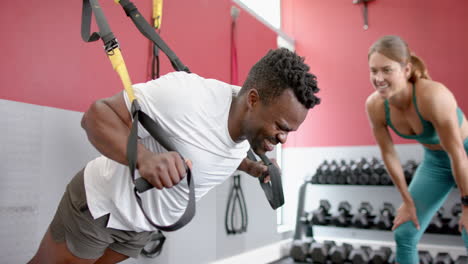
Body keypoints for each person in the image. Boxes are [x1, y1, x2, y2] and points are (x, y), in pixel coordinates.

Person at [28, 47, 321, 264]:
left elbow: (213, 151)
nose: (283, 139)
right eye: (281, 128)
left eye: (289, 132)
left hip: (140, 228)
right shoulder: (186, 98)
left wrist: (250, 168)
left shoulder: (246, 124)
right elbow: (95, 116)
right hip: (101, 208)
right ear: (253, 101)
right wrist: (144, 158)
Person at [365, 35, 468, 263]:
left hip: (464, 155)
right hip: (436, 162)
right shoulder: (375, 106)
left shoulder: (432, 96)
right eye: (373, 71)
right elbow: (389, 153)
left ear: (407, 69)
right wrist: (407, 200)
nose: (378, 78)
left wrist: (467, 206)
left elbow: (458, 154)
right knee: (405, 230)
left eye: (387, 70)